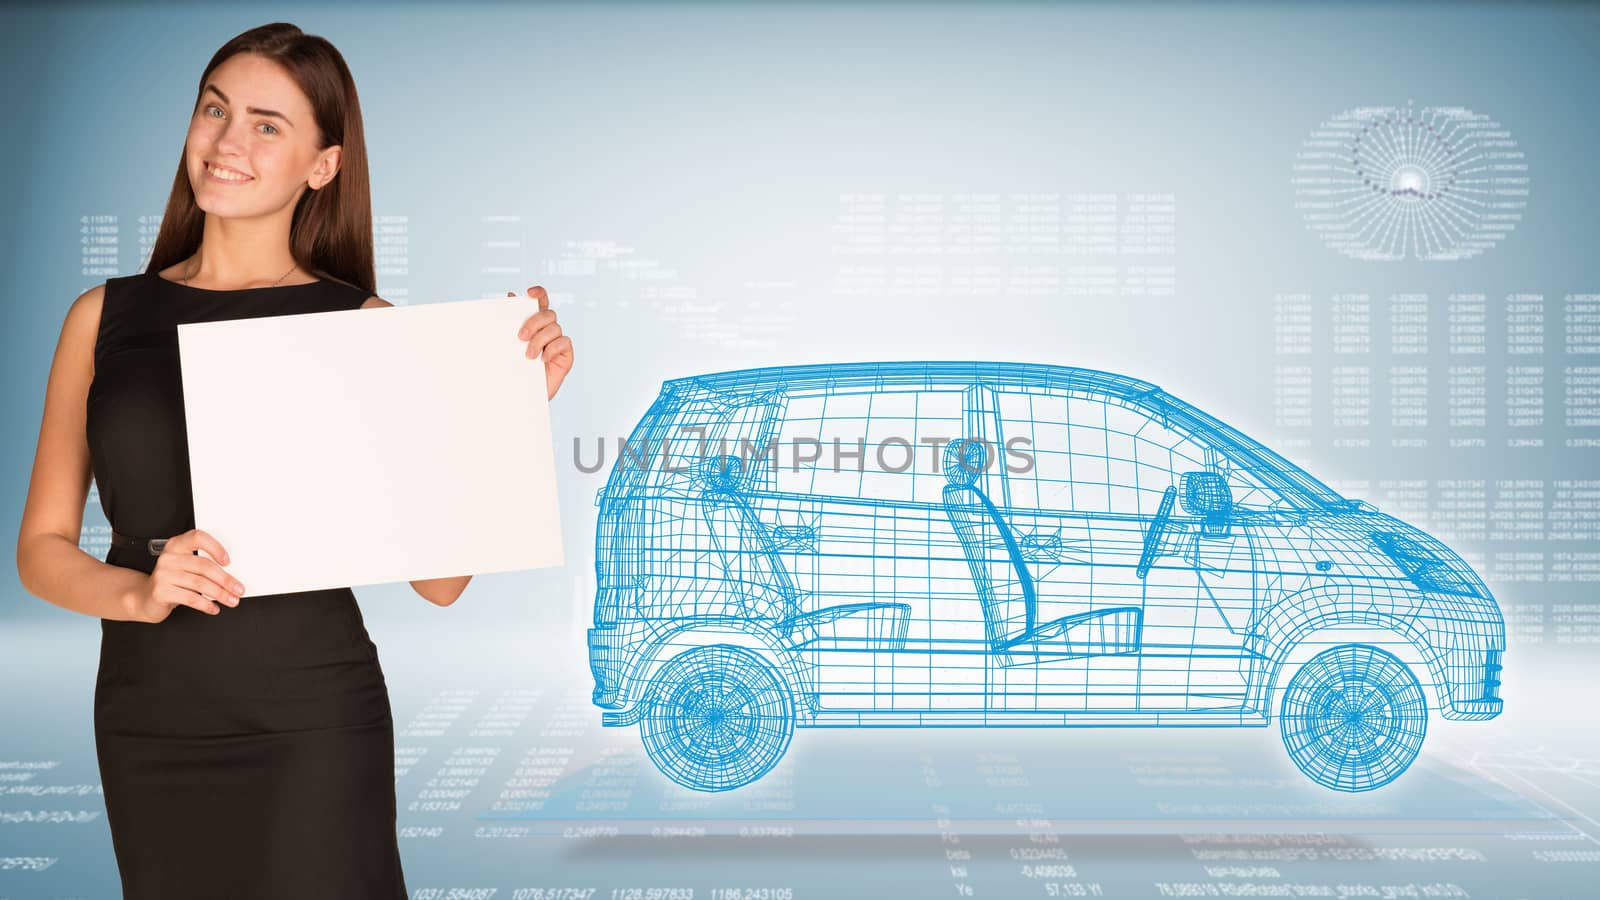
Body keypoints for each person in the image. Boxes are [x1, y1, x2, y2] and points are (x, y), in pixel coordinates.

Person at [15, 22, 574, 898]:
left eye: (267, 124)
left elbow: (440, 583)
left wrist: (504, 414)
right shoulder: (103, 317)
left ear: (324, 165)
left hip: (311, 721)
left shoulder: (365, 327)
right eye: (214, 110)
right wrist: (139, 591)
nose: (228, 142)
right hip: (146, 720)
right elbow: (42, 548)